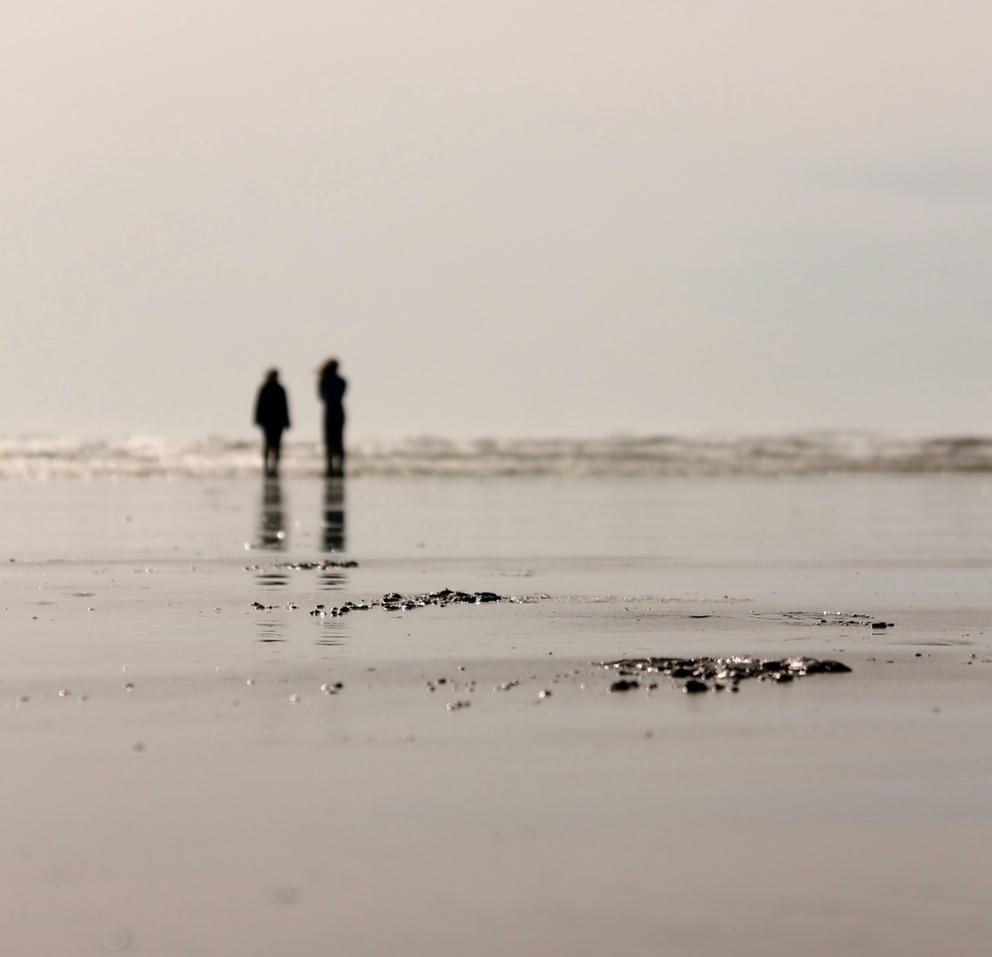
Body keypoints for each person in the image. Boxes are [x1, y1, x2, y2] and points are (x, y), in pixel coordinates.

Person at [254, 369, 290, 476]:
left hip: (273, 421)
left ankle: (272, 466)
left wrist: (286, 420)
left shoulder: (274, 389)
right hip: (271, 421)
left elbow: (285, 407)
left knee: (273, 444)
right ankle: (269, 466)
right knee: (272, 444)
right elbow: (259, 405)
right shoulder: (271, 389)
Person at [318, 358, 347, 477]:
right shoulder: (341, 381)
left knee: (331, 440)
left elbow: (322, 396)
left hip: (330, 411)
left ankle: (331, 466)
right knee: (337, 440)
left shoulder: (324, 380)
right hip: (337, 410)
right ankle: (337, 466)